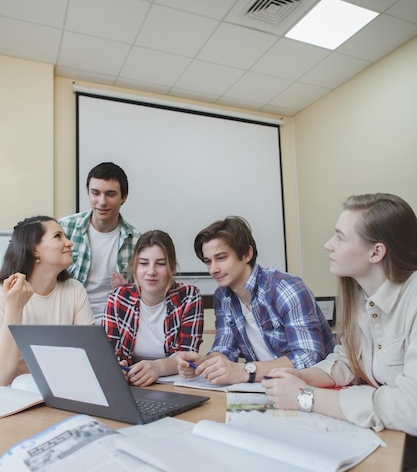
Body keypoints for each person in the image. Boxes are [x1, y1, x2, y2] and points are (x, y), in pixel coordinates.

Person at [261, 193, 417, 472]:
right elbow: (347, 359)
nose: (328, 244)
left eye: (340, 237)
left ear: (376, 252)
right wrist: (306, 378)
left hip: (408, 445)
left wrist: (305, 399)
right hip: (397, 445)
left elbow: (411, 407)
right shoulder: (364, 298)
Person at [177, 216, 334, 385]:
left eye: (221, 258)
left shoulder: (285, 289)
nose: (213, 269)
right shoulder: (222, 297)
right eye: (208, 261)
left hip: (315, 388)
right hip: (268, 388)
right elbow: (225, 348)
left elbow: (309, 357)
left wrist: (246, 371)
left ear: (247, 254)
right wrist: (205, 362)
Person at [0, 215, 95, 385]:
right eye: (58, 236)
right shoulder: (4, 295)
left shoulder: (74, 289)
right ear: (34, 249)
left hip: (64, 388)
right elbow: (2, 376)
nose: (69, 243)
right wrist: (14, 308)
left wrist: (24, 367)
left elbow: (91, 358)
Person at [102, 230, 204, 387]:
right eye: (143, 263)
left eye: (161, 264)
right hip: (131, 385)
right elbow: (110, 354)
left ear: (172, 267)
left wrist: (158, 367)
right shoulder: (119, 298)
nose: (151, 272)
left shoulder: (189, 296)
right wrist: (116, 369)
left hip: (174, 387)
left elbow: (187, 357)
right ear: (134, 267)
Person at [59, 162, 141, 323]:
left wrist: (128, 292)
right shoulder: (63, 229)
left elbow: (144, 295)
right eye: (95, 193)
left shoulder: (137, 240)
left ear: (124, 197)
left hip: (114, 323)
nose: (102, 201)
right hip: (67, 319)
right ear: (88, 193)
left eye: (110, 194)